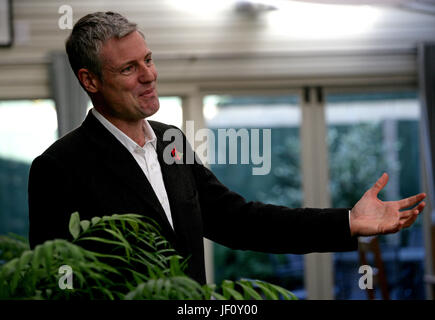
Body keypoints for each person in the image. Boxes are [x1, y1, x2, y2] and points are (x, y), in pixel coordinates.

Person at [28, 11, 426, 285]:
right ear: (90, 80)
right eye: (129, 69)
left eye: (148, 60)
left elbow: (241, 220)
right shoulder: (58, 168)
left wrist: (347, 222)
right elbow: (56, 278)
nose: (149, 75)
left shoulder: (172, 142)